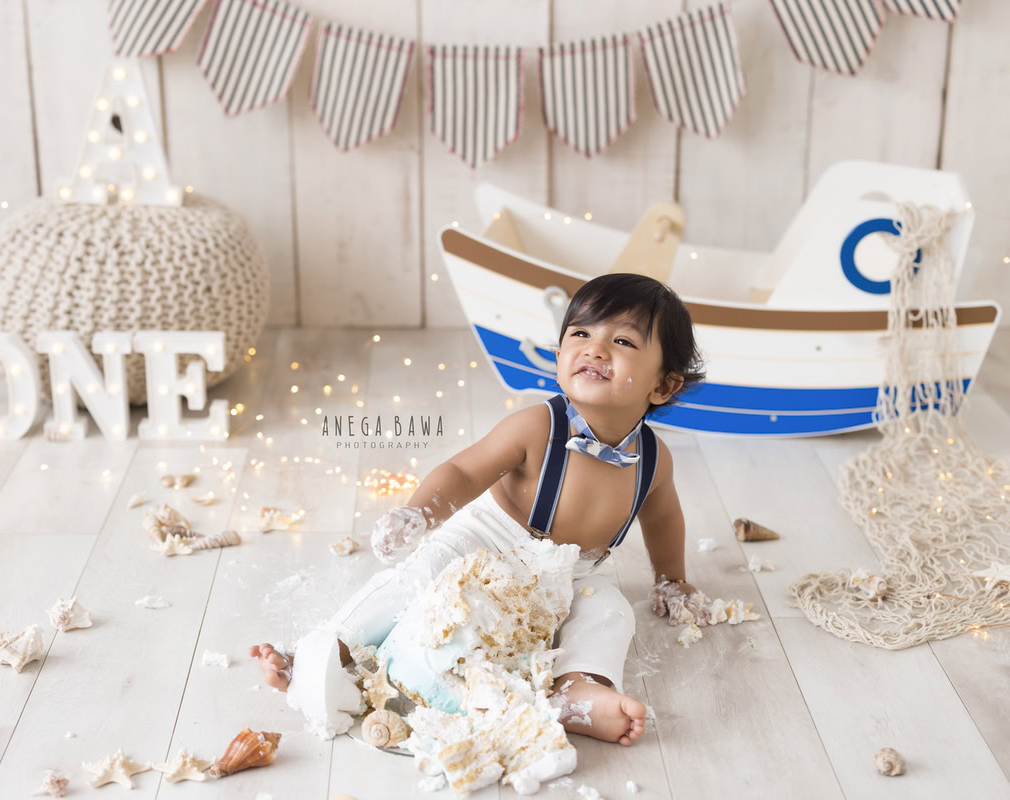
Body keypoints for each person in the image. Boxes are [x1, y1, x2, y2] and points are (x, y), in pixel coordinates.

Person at [251, 272, 706, 746]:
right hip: (487, 540)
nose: (594, 349)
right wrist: (421, 514)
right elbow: (465, 473)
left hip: (573, 572)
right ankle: (327, 652)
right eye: (581, 334)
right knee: (418, 576)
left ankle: (578, 693)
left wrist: (671, 579)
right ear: (559, 356)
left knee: (610, 613)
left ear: (664, 386)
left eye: (622, 341)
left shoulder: (653, 460)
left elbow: (664, 518)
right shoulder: (537, 426)